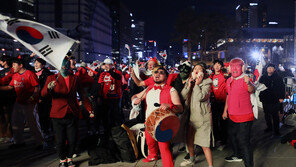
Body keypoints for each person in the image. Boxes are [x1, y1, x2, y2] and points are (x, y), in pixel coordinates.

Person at [41, 57, 94, 167]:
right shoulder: (52, 78)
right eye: (63, 64)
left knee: (72, 138)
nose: (65, 66)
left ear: (70, 66)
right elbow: (43, 94)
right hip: (57, 113)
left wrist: (90, 109)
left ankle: (69, 158)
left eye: (67, 64)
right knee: (60, 140)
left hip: (72, 112)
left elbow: (83, 95)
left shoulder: (75, 78)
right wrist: (48, 88)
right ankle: (62, 159)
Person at [131, 67, 183, 167]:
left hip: (163, 124)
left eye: (161, 73)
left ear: (166, 76)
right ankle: (153, 155)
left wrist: (170, 105)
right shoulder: (149, 89)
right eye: (155, 72)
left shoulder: (171, 90)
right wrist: (135, 101)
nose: (157, 74)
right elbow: (135, 96)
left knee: (164, 147)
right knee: (150, 141)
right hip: (149, 122)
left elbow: (180, 109)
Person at [0, 58, 45, 149]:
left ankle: (41, 143)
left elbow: (37, 87)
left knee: (33, 124)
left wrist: (32, 97)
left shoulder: (30, 74)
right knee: (16, 122)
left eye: (14, 65)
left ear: (21, 65)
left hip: (30, 103)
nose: (12, 67)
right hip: (19, 102)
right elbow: (10, 87)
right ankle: (18, 142)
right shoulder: (15, 75)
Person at [222, 58, 255, 167]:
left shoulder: (245, 79)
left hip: (244, 116)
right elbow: (228, 96)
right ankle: (237, 155)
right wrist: (225, 111)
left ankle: (249, 165)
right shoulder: (229, 80)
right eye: (232, 67)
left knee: (244, 142)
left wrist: (249, 82)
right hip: (232, 115)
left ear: (242, 68)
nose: (235, 69)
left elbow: (252, 90)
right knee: (232, 136)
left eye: (237, 66)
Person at [180, 62, 213, 167]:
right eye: (195, 69)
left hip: (203, 118)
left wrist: (197, 85)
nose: (197, 70)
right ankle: (192, 159)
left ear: (203, 73)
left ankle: (211, 165)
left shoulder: (207, 83)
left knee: (204, 145)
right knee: (189, 141)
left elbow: (201, 97)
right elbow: (182, 96)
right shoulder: (190, 82)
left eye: (200, 69)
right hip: (191, 118)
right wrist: (189, 85)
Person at [98, 58, 123, 138]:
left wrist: (110, 71)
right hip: (105, 98)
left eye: (108, 64)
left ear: (112, 65)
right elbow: (99, 85)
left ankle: (115, 132)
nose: (106, 66)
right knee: (104, 115)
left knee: (114, 115)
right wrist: (99, 96)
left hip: (114, 98)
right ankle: (106, 132)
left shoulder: (117, 72)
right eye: (105, 64)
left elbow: (117, 77)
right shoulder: (102, 74)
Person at [259, 64, 285, 136]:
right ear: (267, 69)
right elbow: (259, 86)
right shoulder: (263, 77)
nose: (270, 69)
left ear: (274, 69)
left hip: (275, 99)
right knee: (267, 114)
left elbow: (282, 87)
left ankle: (276, 131)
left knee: (275, 115)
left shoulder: (278, 77)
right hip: (265, 99)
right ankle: (269, 127)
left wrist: (282, 97)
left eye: (271, 68)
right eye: (268, 68)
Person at [210, 60, 228, 150]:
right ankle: (217, 140)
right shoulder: (211, 76)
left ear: (221, 67)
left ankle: (224, 141)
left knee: (223, 122)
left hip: (223, 103)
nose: (217, 66)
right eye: (215, 65)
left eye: (219, 65)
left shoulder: (224, 76)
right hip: (214, 103)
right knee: (214, 122)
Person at [34, 58, 53, 136]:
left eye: (38, 63)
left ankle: (45, 130)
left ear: (43, 65)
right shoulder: (33, 73)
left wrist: (42, 97)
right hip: (35, 97)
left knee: (44, 114)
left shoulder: (47, 74)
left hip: (44, 98)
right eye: (35, 62)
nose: (35, 64)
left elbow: (46, 88)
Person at [0, 55, 15, 143]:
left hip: (10, 96)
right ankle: (2, 134)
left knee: (8, 117)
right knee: (1, 117)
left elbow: (7, 81)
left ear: (5, 61)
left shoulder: (12, 71)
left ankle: (10, 135)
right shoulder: (1, 71)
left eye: (1, 61)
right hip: (1, 96)